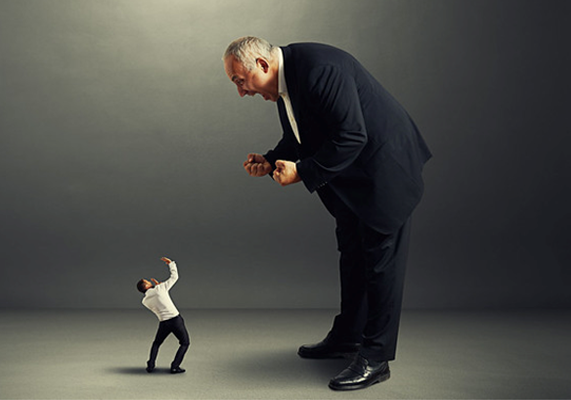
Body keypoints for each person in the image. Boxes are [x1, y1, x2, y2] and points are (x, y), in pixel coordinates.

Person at [222, 36, 431, 391]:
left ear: (261, 65)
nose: (241, 92)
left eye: (240, 81)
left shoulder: (319, 69)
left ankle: (377, 358)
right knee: (352, 255)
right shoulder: (286, 82)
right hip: (349, 177)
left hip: (384, 172)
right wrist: (271, 159)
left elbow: (351, 136)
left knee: (381, 264)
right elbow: (301, 135)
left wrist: (302, 172)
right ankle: (348, 336)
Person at [136, 257, 190, 374]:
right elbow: (174, 277)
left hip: (164, 323)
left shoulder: (145, 301)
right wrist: (171, 263)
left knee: (157, 343)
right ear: (146, 286)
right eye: (147, 281)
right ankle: (175, 366)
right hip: (176, 320)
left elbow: (158, 301)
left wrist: (159, 288)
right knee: (185, 343)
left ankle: (150, 365)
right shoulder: (160, 288)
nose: (149, 281)